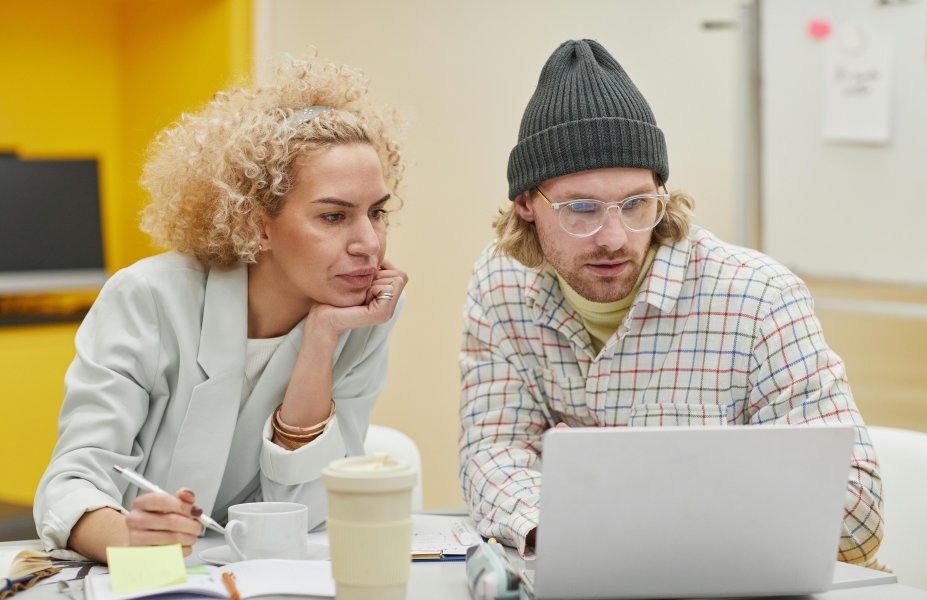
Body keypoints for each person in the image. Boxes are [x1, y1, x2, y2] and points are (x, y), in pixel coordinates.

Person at [458, 39, 883, 567]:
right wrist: (563, 524)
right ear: (526, 204)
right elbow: (489, 454)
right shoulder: (501, 285)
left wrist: (620, 487)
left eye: (636, 204)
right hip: (582, 576)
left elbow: (858, 515)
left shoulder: (759, 298)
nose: (614, 237)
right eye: (582, 209)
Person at [34, 54, 408, 562]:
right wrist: (130, 541)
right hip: (137, 580)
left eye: (377, 213)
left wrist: (321, 339)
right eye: (334, 215)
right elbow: (70, 483)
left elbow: (309, 508)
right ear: (259, 226)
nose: (368, 243)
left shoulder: (361, 316)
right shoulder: (148, 298)